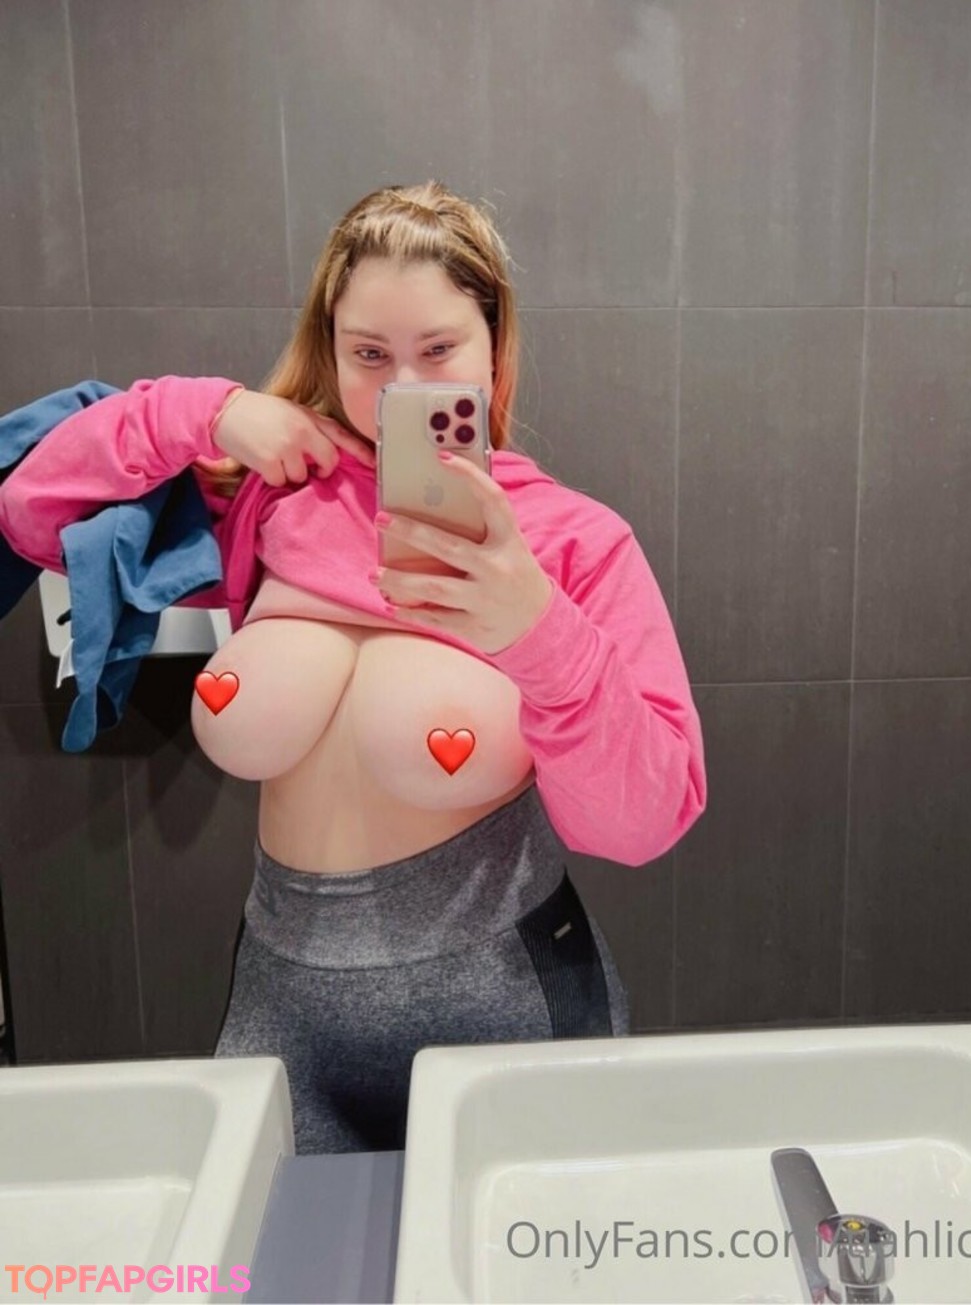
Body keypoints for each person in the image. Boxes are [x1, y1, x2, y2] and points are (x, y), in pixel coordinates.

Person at [0, 181, 707, 1154]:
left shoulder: (570, 540)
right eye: (369, 353)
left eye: (438, 350)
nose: (401, 385)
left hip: (508, 1013)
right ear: (329, 347)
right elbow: (33, 513)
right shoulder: (275, 492)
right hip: (284, 1012)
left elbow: (644, 822)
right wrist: (206, 415)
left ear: (494, 349)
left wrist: (537, 628)